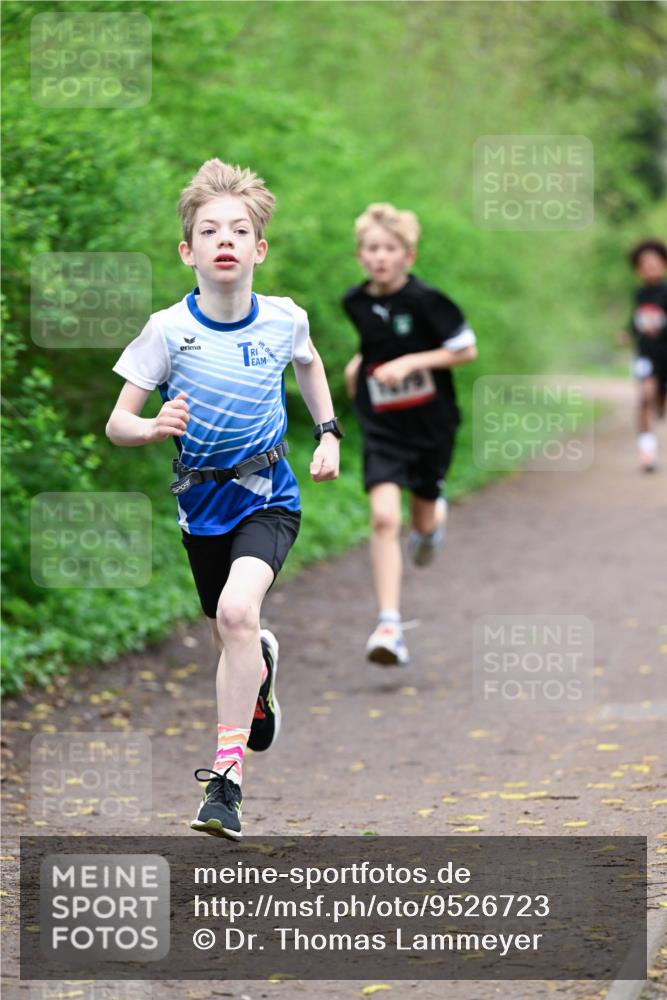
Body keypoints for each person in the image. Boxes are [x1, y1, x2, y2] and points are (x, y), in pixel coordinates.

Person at [106, 159, 342, 840]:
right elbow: (117, 423)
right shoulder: (166, 330)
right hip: (199, 508)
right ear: (189, 251)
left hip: (269, 496)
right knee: (230, 628)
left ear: (258, 248)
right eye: (210, 230)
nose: (225, 239)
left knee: (236, 613)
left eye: (239, 229)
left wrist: (327, 432)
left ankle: (226, 784)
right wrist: (150, 426)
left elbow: (308, 361)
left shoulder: (282, 319)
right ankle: (260, 670)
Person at [342, 203, 477, 666]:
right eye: (371, 249)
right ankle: (389, 625)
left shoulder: (427, 301)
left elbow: (465, 349)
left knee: (421, 522)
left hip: (431, 426)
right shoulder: (354, 302)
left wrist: (413, 362)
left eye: (389, 249)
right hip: (383, 426)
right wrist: (360, 365)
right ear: (361, 255)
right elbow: (376, 340)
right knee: (383, 518)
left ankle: (432, 524)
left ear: (408, 255)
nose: (379, 257)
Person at [621, 238, 667, 472]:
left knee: (660, 402)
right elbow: (635, 318)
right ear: (638, 269)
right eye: (644, 264)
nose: (650, 267)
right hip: (645, 354)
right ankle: (647, 452)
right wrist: (627, 332)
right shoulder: (639, 293)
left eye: (654, 263)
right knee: (645, 397)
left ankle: (660, 401)